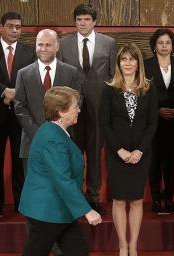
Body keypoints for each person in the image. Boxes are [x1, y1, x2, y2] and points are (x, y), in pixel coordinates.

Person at [3, 86, 128, 256]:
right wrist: (86, 210)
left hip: (57, 210)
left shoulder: (58, 131)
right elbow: (61, 179)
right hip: (46, 211)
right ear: (60, 111)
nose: (79, 110)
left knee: (78, 254)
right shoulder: (52, 136)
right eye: (75, 107)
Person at [15, 28, 82, 256]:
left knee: (60, 196)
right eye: (39, 45)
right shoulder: (23, 73)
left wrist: (53, 133)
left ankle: (60, 250)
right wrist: (42, 134)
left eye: (47, 45)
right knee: (36, 199)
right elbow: (19, 106)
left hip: (63, 145)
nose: (43, 49)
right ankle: (38, 250)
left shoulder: (71, 73)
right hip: (32, 144)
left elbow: (76, 105)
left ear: (57, 47)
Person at [99, 43, 158, 256]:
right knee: (118, 199)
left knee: (136, 200)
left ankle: (134, 244)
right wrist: (120, 150)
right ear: (118, 63)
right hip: (117, 153)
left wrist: (140, 150)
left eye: (132, 59)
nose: (128, 63)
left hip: (142, 154)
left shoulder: (149, 88)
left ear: (138, 63)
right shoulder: (109, 89)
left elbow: (152, 123)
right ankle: (122, 244)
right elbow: (104, 124)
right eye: (124, 59)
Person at [58, 3, 117, 215]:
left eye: (86, 19)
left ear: (94, 22)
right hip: (70, 109)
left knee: (94, 154)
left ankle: (93, 198)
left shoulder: (109, 43)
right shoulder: (63, 44)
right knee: (72, 155)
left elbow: (113, 76)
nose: (82, 23)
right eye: (79, 19)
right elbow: (60, 76)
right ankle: (74, 199)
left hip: (99, 107)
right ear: (75, 21)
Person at [0, 12, 35, 217]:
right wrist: (4, 91)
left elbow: (32, 79)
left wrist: (14, 95)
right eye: (10, 26)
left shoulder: (30, 52)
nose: (14, 30)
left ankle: (22, 205)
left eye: (18, 27)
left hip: (21, 115)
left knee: (20, 162)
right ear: (0, 27)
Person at [144, 28, 174, 214]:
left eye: (168, 43)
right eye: (160, 43)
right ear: (154, 46)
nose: (164, 46)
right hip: (153, 122)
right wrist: (157, 111)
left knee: (170, 162)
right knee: (154, 162)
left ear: (173, 46)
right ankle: (156, 198)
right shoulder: (146, 65)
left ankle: (169, 198)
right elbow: (141, 94)